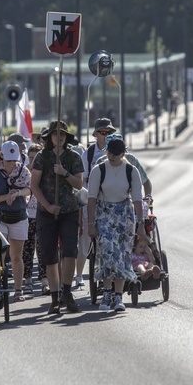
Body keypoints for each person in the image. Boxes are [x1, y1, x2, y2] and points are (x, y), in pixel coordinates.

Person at [30, 121, 84, 314]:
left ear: (66, 137)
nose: (59, 137)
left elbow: (79, 184)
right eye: (55, 134)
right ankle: (55, 297)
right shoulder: (42, 158)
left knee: (70, 251)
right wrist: (48, 206)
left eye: (62, 134)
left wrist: (64, 172)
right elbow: (34, 186)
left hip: (69, 211)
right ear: (49, 137)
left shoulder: (73, 157)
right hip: (46, 213)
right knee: (49, 255)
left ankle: (67, 292)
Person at [87, 138, 146, 312]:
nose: (110, 155)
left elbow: (137, 199)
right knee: (106, 250)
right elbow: (91, 198)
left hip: (124, 214)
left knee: (121, 254)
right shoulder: (99, 170)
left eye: (115, 153)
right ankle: (107, 292)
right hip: (104, 212)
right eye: (109, 152)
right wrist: (90, 223)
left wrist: (141, 224)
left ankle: (118, 296)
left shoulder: (131, 171)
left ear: (122, 154)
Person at [76, 118, 117, 287]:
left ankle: (109, 274)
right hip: (91, 201)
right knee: (85, 241)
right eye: (102, 132)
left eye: (109, 132)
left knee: (109, 241)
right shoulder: (89, 153)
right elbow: (82, 180)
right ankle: (79, 275)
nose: (105, 135)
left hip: (111, 202)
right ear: (96, 134)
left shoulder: (117, 150)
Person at [0, 140, 31, 302]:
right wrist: (7, 196)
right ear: (2, 157)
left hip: (19, 216)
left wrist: (17, 194)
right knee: (0, 254)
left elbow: (29, 189)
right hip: (0, 216)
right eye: (8, 160)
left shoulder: (24, 171)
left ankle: (18, 289)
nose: (12, 163)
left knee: (16, 255)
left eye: (14, 160)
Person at [22, 143, 43, 295]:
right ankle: (27, 280)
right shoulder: (23, 172)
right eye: (30, 158)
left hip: (42, 214)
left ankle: (44, 281)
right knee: (27, 250)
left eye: (35, 158)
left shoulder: (44, 171)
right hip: (26, 215)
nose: (32, 161)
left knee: (43, 249)